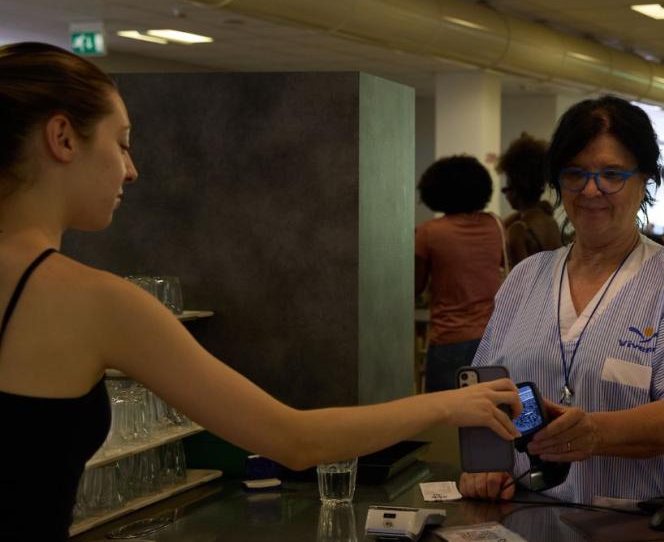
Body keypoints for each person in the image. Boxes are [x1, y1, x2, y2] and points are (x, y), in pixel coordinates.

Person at [0, 43, 524, 542]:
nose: (131, 170)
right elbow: (295, 440)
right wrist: (448, 406)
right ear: (63, 138)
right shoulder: (96, 302)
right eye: (122, 143)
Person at [458, 95, 664, 504]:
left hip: (645, 516)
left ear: (644, 181)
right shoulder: (526, 277)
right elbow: (487, 394)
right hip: (536, 510)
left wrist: (596, 432)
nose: (591, 189)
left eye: (612, 174)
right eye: (576, 174)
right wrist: (485, 465)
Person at [415, 155, 505, 392]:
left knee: (445, 422)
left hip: (448, 339)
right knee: (488, 415)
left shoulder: (428, 232)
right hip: (491, 338)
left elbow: (415, 286)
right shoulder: (496, 225)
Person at [496, 133, 562, 266]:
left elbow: (521, 282)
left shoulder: (518, 230)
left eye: (506, 188)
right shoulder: (550, 221)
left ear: (515, 190)